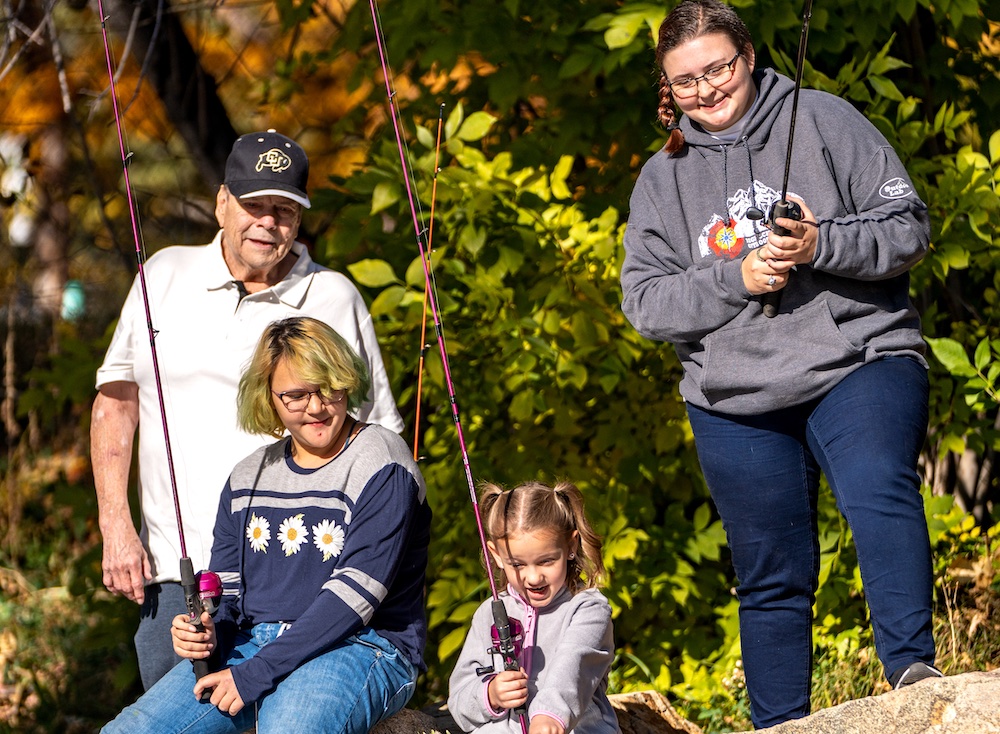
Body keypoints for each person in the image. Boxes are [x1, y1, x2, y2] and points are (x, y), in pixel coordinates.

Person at [619, 0, 940, 727]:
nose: (706, 89)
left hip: (857, 356)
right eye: (685, 81)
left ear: (750, 57)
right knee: (770, 578)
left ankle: (914, 674)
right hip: (732, 396)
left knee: (877, 489)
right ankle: (781, 723)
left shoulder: (825, 119)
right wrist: (735, 279)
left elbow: (907, 227)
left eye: (718, 68)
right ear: (667, 90)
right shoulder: (659, 180)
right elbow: (645, 303)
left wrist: (821, 244)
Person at [91, 129, 406, 690]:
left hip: (303, 576)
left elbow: (380, 444)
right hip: (177, 573)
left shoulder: (334, 296)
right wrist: (116, 523)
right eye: (254, 205)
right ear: (221, 202)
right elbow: (115, 406)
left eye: (284, 209)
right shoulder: (163, 276)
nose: (268, 222)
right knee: (171, 723)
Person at [102, 316, 431, 733]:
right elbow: (227, 594)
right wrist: (206, 630)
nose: (316, 407)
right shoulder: (247, 476)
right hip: (253, 647)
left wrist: (257, 673)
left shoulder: (383, 463)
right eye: (296, 395)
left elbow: (354, 599)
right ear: (269, 397)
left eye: (328, 388)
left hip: (362, 646)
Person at [448, 481, 619, 734]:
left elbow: (573, 667)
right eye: (517, 564)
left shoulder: (589, 610)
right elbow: (460, 699)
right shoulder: (488, 613)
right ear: (496, 555)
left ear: (571, 546)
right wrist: (490, 694)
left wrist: (549, 717)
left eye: (546, 561)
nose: (533, 577)